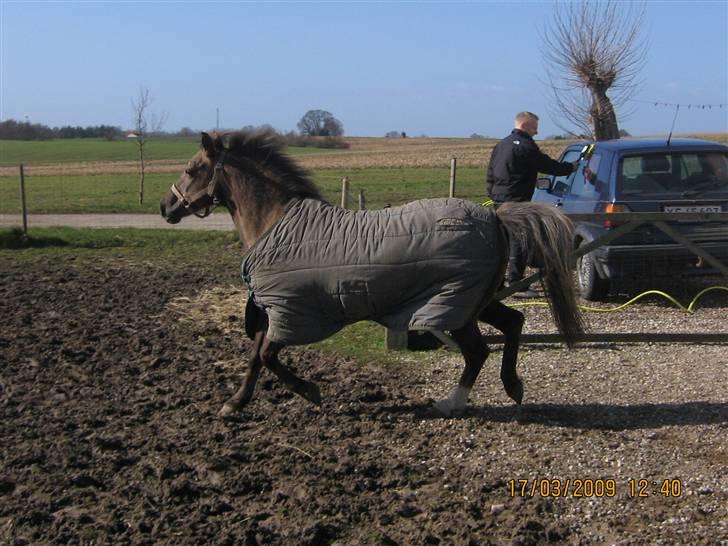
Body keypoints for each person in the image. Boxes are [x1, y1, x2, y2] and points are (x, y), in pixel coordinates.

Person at [486, 111, 578, 297]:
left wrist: (493, 193)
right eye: (534, 128)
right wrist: (571, 167)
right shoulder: (526, 147)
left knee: (501, 241)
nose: (536, 132)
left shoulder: (501, 145)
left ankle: (497, 283)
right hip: (518, 200)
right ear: (524, 126)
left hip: (499, 199)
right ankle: (517, 283)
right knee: (520, 239)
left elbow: (490, 173)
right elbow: (547, 166)